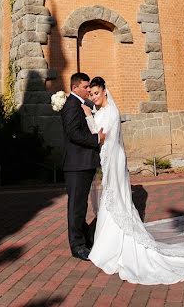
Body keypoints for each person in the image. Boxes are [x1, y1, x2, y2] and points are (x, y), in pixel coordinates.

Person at [86, 77, 184, 285]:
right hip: (109, 161)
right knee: (110, 198)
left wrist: (89, 117)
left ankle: (115, 243)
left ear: (105, 91)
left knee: (114, 197)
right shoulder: (101, 111)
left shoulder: (112, 112)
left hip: (114, 160)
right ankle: (106, 242)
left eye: (96, 93)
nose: (93, 97)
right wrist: (92, 116)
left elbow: (102, 137)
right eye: (91, 94)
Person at [60, 72, 105, 260]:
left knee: (80, 206)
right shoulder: (71, 105)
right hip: (76, 165)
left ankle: (85, 238)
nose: (89, 90)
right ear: (75, 87)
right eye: (86, 87)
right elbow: (73, 134)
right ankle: (77, 246)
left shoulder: (82, 104)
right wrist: (96, 139)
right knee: (76, 207)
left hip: (84, 164)